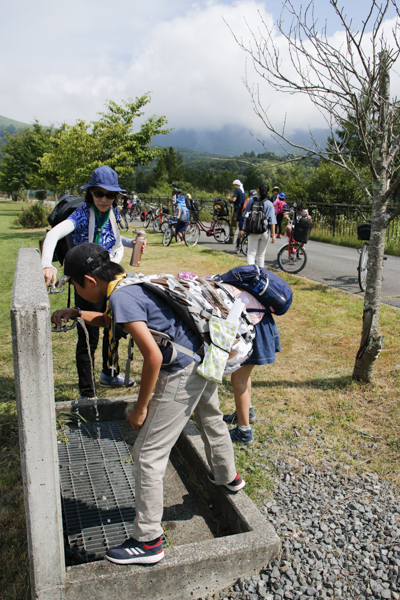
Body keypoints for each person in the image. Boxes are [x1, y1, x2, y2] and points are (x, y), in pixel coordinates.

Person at [51, 242, 245, 565]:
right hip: (201, 355)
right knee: (210, 418)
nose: (76, 291)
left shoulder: (120, 297)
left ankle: (148, 540)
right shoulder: (127, 283)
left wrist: (142, 407)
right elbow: (116, 319)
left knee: (147, 453)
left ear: (88, 280)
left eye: (73, 286)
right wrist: (78, 314)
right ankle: (228, 477)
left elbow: (152, 357)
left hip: (180, 369)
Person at [42, 165, 137, 400]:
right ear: (90, 193)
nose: (104, 199)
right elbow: (54, 234)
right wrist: (47, 264)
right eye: (98, 193)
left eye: (110, 195)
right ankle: (87, 392)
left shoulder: (110, 214)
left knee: (114, 327)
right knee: (88, 335)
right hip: (87, 282)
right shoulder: (83, 214)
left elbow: (111, 238)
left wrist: (130, 244)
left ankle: (109, 373)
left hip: (109, 280)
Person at [223, 285, 281, 445]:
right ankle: (246, 412)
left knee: (238, 379)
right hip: (263, 325)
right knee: (242, 374)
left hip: (254, 330)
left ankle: (244, 431)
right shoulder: (237, 285)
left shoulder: (222, 289)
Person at [240, 184, 276, 267]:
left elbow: (245, 215)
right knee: (261, 255)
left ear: (258, 190)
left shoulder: (251, 201)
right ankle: (260, 274)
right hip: (264, 232)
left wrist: (244, 228)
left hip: (253, 230)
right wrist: (273, 235)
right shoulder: (270, 204)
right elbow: (272, 221)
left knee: (251, 253)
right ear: (268, 192)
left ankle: (252, 273)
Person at [235, 189, 257, 254]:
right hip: (244, 218)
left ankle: (248, 248)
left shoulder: (256, 201)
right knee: (241, 232)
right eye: (252, 196)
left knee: (250, 234)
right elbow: (245, 209)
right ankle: (237, 246)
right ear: (249, 196)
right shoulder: (247, 201)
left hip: (252, 218)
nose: (254, 198)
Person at [227, 179, 246, 245]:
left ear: (236, 185)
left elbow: (234, 199)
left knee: (234, 225)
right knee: (242, 226)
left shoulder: (237, 191)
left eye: (234, 185)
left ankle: (231, 239)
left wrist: (229, 199)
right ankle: (243, 240)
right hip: (243, 211)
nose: (233, 186)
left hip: (237, 210)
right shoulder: (243, 191)